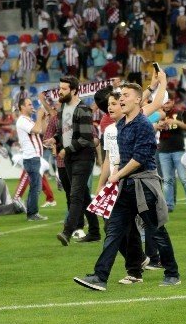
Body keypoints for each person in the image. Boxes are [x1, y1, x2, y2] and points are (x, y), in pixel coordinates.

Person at [73, 82, 180, 290]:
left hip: (144, 185)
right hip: (125, 185)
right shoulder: (121, 125)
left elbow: (139, 158)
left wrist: (117, 175)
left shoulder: (143, 124)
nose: (121, 98)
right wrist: (115, 178)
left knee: (157, 231)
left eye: (126, 95)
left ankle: (172, 273)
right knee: (113, 230)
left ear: (138, 100)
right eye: (120, 95)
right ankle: (100, 276)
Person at [54, 76, 101, 245]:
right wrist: (55, 140)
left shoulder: (83, 109)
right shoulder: (62, 109)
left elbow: (86, 139)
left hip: (84, 156)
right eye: (60, 88)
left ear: (74, 90)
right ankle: (95, 231)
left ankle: (67, 231)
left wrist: (66, 149)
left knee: (75, 195)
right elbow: (62, 133)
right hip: (70, 158)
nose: (60, 91)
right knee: (83, 195)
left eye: (64, 89)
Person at [155, 94, 186, 213]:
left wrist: (176, 122)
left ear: (173, 102)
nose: (166, 106)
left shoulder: (179, 113)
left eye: (168, 103)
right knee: (167, 180)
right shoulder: (158, 115)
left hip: (178, 150)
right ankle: (169, 205)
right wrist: (158, 126)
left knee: (184, 179)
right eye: (164, 103)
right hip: (163, 151)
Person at [15, 98, 49, 222]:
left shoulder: (28, 120)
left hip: (34, 158)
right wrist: (39, 116)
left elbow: (42, 130)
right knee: (36, 187)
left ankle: (32, 213)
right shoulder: (22, 120)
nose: (31, 106)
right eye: (29, 104)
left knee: (36, 187)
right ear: (22, 107)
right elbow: (35, 130)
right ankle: (32, 214)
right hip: (31, 158)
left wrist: (43, 118)